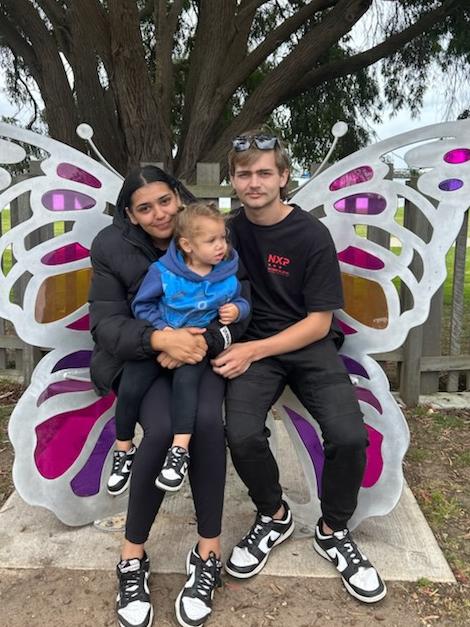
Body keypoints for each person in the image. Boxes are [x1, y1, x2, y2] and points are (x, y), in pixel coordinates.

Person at [212, 131, 387, 604]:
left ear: (284, 177)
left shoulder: (311, 234)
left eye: (265, 172)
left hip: (306, 345)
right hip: (250, 344)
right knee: (241, 432)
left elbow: (319, 322)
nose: (254, 182)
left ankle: (333, 528)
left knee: (350, 435)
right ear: (232, 178)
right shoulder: (224, 233)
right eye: (244, 173)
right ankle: (273, 515)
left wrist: (254, 350)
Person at [89, 165, 249, 627]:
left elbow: (241, 302)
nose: (158, 213)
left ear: (178, 198)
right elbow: (107, 323)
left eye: (164, 201)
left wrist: (206, 341)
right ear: (131, 216)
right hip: (140, 361)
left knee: (205, 425)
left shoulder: (212, 235)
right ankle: (132, 556)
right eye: (145, 207)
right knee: (159, 429)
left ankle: (208, 551)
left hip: (199, 354)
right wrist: (161, 341)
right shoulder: (112, 247)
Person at [127, 202, 249, 492]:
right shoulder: (164, 273)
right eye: (212, 240)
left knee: (188, 382)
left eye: (223, 238)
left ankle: (178, 451)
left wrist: (238, 310)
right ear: (187, 245)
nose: (221, 246)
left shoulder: (227, 273)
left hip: (198, 349)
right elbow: (142, 305)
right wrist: (165, 334)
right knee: (132, 385)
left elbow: (242, 300)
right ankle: (124, 446)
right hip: (162, 344)